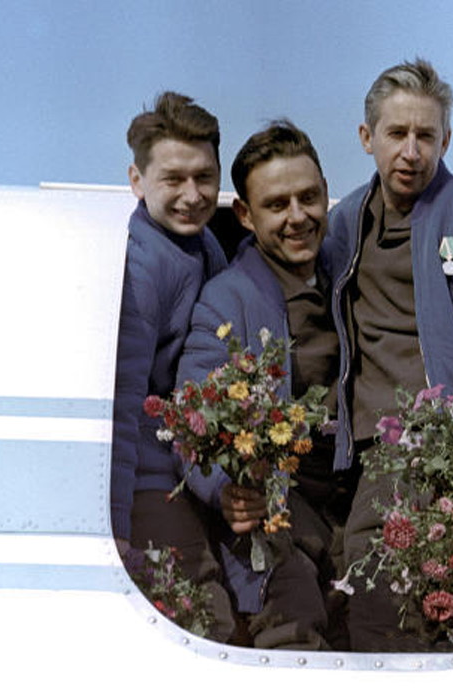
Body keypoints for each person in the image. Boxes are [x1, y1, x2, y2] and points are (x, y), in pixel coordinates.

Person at [323, 59, 453, 651]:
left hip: (430, 443)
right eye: (397, 133)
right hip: (354, 451)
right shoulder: (342, 226)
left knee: (376, 589)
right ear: (367, 137)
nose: (411, 151)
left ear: (446, 141)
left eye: (426, 135)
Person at [175, 120, 356, 650]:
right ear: (245, 215)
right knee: (292, 621)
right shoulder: (226, 301)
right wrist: (224, 490)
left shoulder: (352, 280)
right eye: (276, 205)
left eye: (309, 198)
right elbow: (191, 418)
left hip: (353, 498)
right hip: (278, 503)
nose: (297, 217)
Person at [110, 91, 236, 642]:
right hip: (149, 481)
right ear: (137, 181)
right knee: (206, 616)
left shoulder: (206, 247)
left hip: (189, 473)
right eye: (173, 179)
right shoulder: (142, 264)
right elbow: (122, 400)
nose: (192, 195)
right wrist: (117, 524)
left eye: (204, 177)